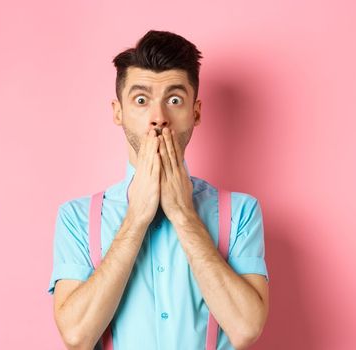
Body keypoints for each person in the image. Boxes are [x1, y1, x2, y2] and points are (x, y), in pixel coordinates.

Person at [47, 30, 269, 350]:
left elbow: (246, 328)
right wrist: (136, 218)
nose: (158, 118)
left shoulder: (241, 212)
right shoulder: (77, 217)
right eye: (141, 100)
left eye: (174, 100)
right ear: (118, 112)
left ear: (195, 112)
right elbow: (77, 336)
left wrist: (183, 215)